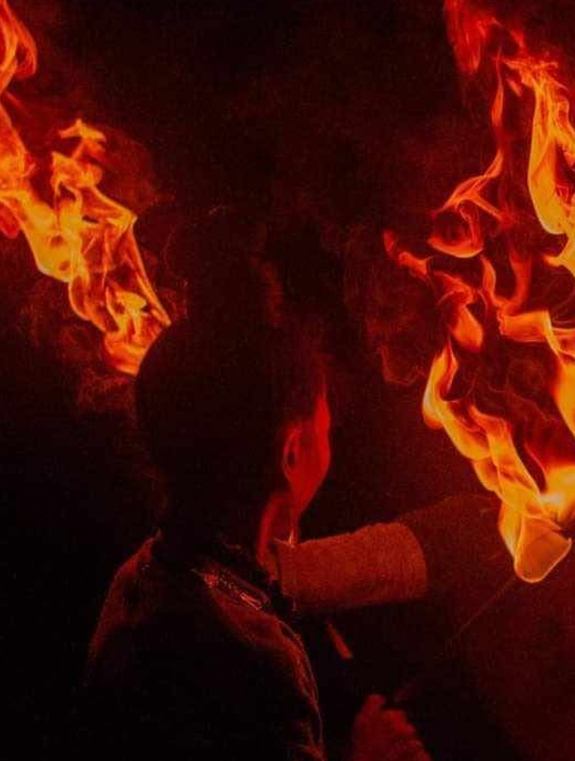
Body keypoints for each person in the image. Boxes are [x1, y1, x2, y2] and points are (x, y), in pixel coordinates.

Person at [80, 313, 431, 761]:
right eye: (325, 426)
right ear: (291, 453)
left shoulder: (143, 575)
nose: (331, 435)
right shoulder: (254, 660)